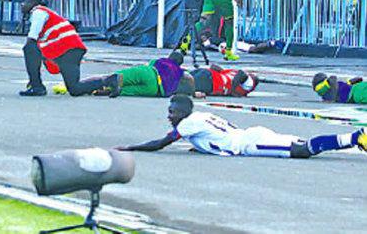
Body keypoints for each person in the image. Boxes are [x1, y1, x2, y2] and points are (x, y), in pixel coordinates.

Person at [119, 94, 367, 158]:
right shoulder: (200, 117)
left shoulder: (186, 125)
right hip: (249, 134)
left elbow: (160, 143)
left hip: (248, 143)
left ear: (183, 112)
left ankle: (355, 137)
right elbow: (219, 131)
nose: (169, 116)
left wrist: (131, 148)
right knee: (301, 146)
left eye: (172, 112)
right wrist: (203, 146)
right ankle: (354, 139)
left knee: (303, 151)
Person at [19, 0, 98, 97]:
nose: (21, 5)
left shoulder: (38, 12)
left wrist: (33, 74)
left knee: (29, 49)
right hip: (71, 50)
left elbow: (32, 39)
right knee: (75, 89)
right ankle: (109, 81)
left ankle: (37, 87)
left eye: (24, 2)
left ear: (33, 3)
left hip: (67, 50)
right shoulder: (45, 12)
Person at [56, 50, 195, 98]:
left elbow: (150, 66)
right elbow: (189, 78)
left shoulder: (162, 61)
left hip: (151, 74)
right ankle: (108, 90)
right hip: (156, 90)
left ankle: (100, 85)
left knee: (117, 77)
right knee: (126, 91)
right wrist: (193, 92)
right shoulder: (179, 71)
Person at [190, 64, 258, 97]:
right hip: (210, 80)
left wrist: (231, 91)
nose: (251, 73)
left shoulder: (250, 83)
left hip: (210, 79)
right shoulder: (233, 73)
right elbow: (214, 67)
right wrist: (231, 92)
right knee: (182, 83)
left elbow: (241, 74)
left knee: (182, 80)